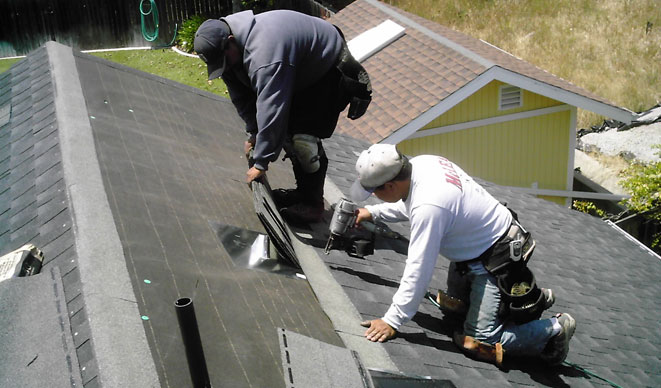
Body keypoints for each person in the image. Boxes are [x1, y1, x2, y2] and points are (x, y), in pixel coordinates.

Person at [350, 144, 576, 365]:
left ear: (389, 185)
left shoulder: (429, 205)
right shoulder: (422, 163)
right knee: (455, 311)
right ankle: (531, 298)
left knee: (479, 341)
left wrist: (392, 320)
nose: (374, 197)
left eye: (374, 193)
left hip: (497, 262)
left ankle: (554, 329)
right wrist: (374, 212)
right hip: (477, 251)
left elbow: (419, 267)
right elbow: (415, 206)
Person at [194, 10, 371, 224]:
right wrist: (254, 132)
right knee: (285, 134)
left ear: (231, 41)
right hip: (297, 65)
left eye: (224, 60)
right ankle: (302, 192)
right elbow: (243, 98)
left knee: (303, 140)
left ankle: (312, 204)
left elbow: (272, 108)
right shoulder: (231, 52)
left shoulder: (265, 54)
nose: (225, 67)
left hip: (327, 65)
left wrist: (261, 162)